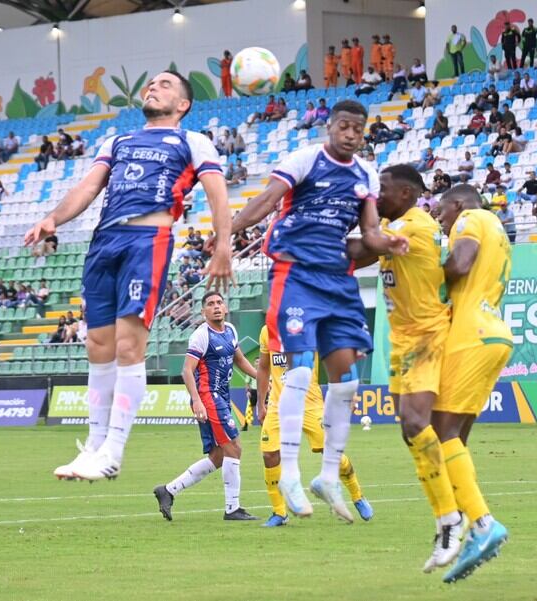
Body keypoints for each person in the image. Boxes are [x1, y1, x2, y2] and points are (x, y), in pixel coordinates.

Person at [27, 71, 232, 482]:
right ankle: (94, 446)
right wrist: (53, 218)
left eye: (165, 85)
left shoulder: (192, 141)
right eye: (152, 83)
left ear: (183, 104)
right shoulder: (117, 141)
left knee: (127, 346)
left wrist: (224, 243)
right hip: (104, 241)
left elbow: (216, 191)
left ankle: (114, 451)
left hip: (147, 239)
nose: (154, 87)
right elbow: (88, 188)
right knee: (98, 345)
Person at [225, 99, 408, 520]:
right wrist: (227, 232)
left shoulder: (365, 175)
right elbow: (267, 200)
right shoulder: (306, 160)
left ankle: (327, 475)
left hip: (336, 277)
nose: (350, 134)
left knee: (347, 380)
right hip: (295, 271)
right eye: (344, 126)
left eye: (358, 129)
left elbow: (370, 232)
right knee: (300, 369)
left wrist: (389, 243)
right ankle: (290, 473)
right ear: (330, 126)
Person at [346, 165, 463, 571]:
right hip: (402, 338)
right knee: (409, 429)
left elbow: (357, 252)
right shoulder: (394, 225)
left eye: (383, 189)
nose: (377, 195)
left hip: (428, 335)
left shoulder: (414, 225)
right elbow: (357, 256)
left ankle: (454, 517)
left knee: (416, 422)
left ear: (407, 194)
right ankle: (449, 515)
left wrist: (313, 228)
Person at [435, 184, 512, 584]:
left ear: (458, 204)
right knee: (455, 439)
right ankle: (467, 520)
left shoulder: (469, 219)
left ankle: (481, 523)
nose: (441, 221)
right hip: (495, 332)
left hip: (471, 334)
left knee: (440, 431)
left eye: (442, 213)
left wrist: (426, 275)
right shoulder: (497, 228)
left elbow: (460, 264)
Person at [153, 292, 258, 521]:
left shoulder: (230, 330)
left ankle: (168, 490)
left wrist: (260, 376)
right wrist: (197, 400)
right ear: (203, 312)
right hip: (207, 397)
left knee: (218, 456)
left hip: (221, 396)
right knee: (234, 447)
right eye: (210, 304)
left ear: (226, 307)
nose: (216, 307)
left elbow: (239, 359)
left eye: (219, 302)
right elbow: (186, 370)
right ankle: (232, 508)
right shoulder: (201, 335)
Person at [255, 324, 372, 527]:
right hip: (278, 405)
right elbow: (264, 367)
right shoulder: (267, 330)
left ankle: (357, 495)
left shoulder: (311, 326)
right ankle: (279, 512)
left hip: (309, 403)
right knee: (269, 454)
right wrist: (260, 402)